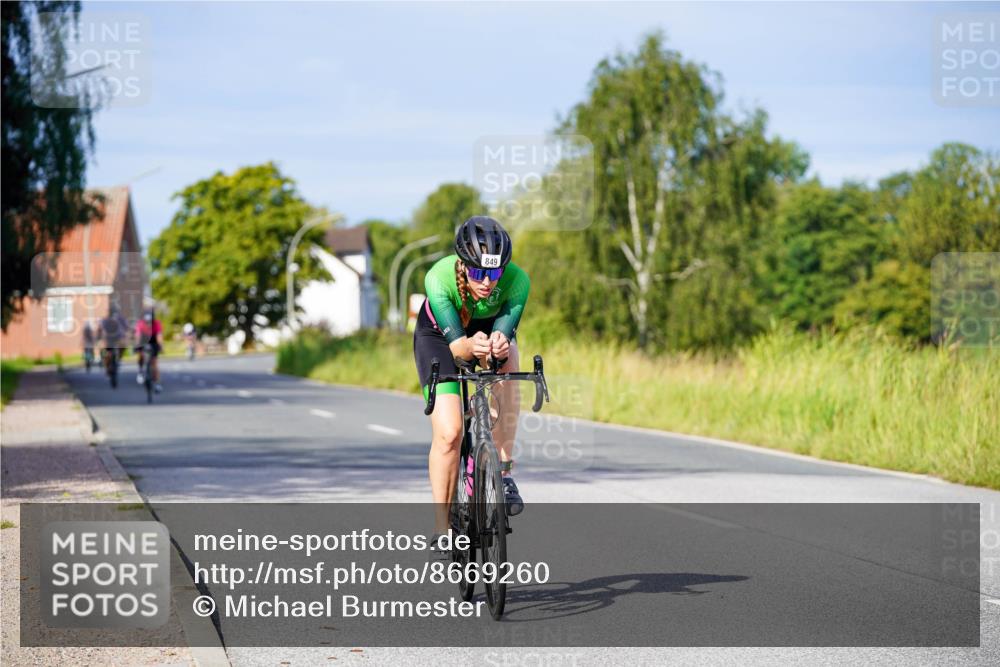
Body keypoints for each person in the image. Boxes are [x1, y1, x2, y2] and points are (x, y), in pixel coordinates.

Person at [413, 216, 530, 550]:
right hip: (439, 337)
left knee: (509, 361)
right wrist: (471, 347)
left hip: (488, 331)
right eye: (479, 273)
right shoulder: (438, 278)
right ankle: (441, 526)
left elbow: (503, 335)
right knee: (450, 433)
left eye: (494, 274)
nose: (488, 283)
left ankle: (504, 473)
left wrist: (497, 345)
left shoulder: (518, 281)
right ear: (463, 265)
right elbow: (458, 349)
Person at [135, 309, 164, 393]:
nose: (148, 324)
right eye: (146, 322)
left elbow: (159, 336)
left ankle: (158, 383)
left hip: (153, 340)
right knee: (140, 355)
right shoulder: (140, 324)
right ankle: (140, 371)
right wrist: (137, 346)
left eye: (150, 322)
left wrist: (161, 346)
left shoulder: (156, 324)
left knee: (154, 363)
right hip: (143, 339)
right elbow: (138, 336)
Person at [97, 306, 129, 373]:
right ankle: (104, 361)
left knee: (123, 345)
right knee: (102, 348)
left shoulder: (121, 319)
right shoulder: (105, 320)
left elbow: (126, 328)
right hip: (108, 339)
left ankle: (119, 359)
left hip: (118, 337)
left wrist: (125, 335)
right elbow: (102, 329)